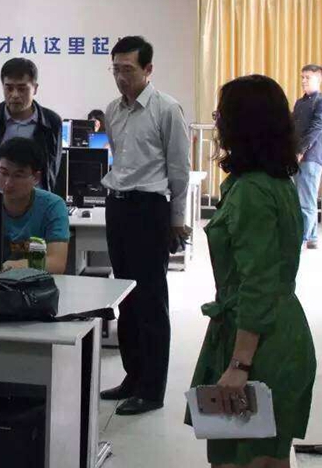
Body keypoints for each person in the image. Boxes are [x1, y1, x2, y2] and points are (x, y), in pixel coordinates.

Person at [186, 75, 317, 468]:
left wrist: (239, 365)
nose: (217, 120)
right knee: (263, 456)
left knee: (247, 459)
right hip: (274, 328)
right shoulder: (274, 181)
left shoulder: (251, 192)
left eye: (222, 113)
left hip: (259, 342)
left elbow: (257, 282)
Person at [99, 36, 190, 416]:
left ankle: (152, 390)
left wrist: (177, 221)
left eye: (128, 70)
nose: (121, 77)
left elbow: (179, 170)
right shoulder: (112, 110)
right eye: (116, 70)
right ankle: (132, 377)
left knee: (151, 300)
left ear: (148, 70)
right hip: (118, 206)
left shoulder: (167, 109)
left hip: (149, 209)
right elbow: (120, 161)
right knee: (125, 297)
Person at [0, 58, 62, 191]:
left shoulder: (51, 122)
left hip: (36, 199)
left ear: (35, 89)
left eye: (22, 89)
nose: (14, 95)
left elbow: (52, 170)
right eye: (9, 88)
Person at [0, 138, 69, 274]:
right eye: (3, 173)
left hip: (37, 283)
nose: (8, 183)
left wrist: (16, 266)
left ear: (36, 178)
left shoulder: (53, 206)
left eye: (18, 176)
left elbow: (57, 263)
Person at [293, 64, 322, 250]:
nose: (303, 81)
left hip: (311, 158)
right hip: (299, 156)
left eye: (307, 77)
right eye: (302, 77)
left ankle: (303, 238)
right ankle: (312, 237)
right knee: (303, 198)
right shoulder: (300, 103)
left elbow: (315, 130)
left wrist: (300, 150)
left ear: (318, 79)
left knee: (306, 201)